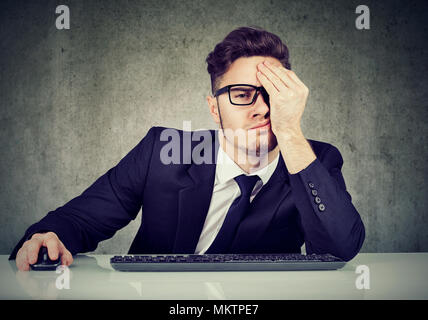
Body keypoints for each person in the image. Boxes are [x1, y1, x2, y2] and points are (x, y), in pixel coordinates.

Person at [10, 26, 365, 271]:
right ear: (214, 108)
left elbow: (338, 250)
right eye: (242, 95)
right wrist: (50, 238)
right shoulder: (164, 151)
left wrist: (289, 131)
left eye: (275, 94)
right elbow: (79, 220)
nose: (262, 108)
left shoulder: (314, 160)